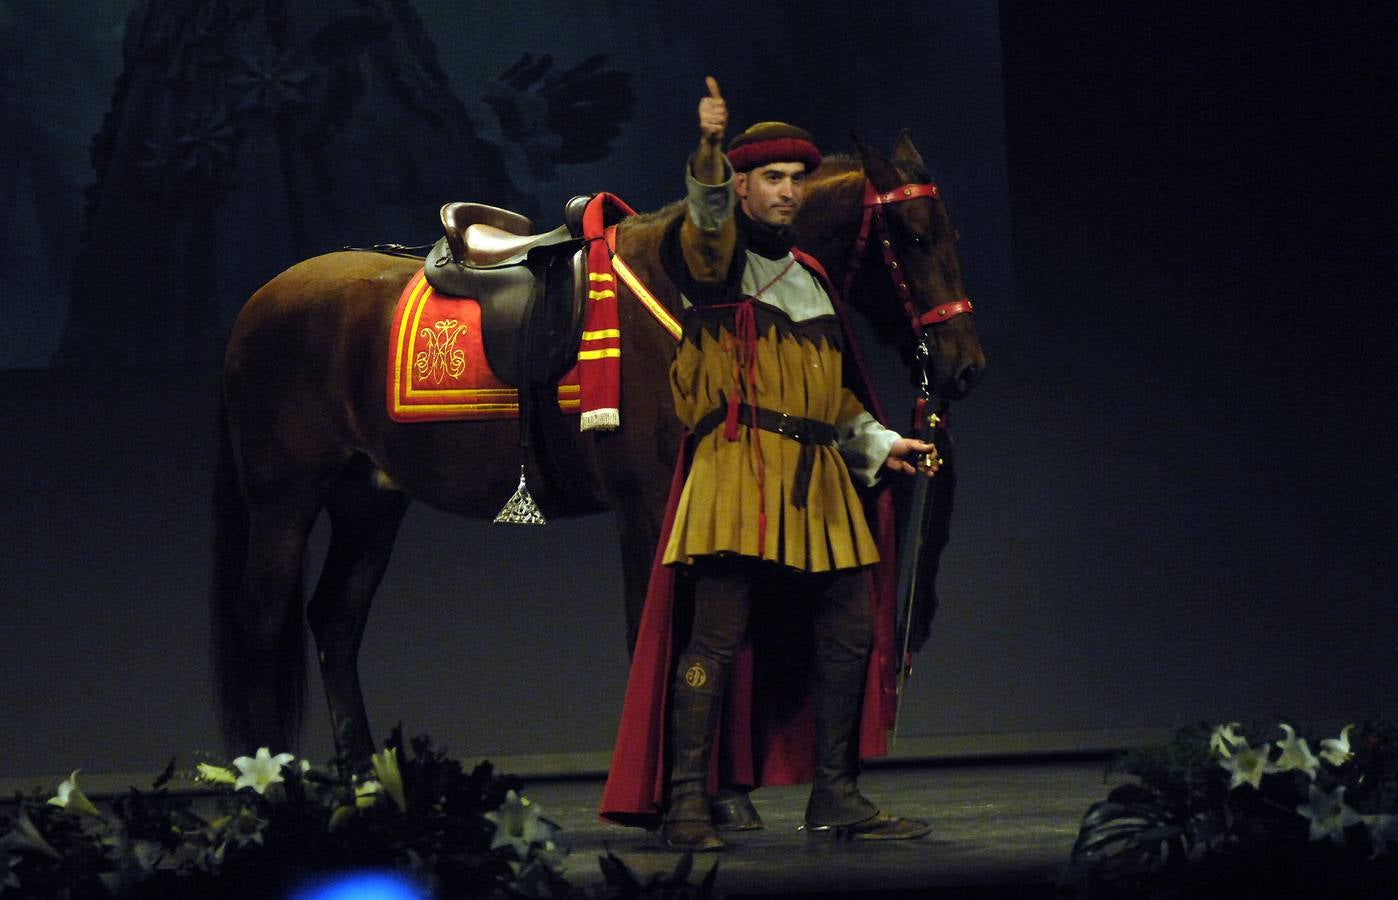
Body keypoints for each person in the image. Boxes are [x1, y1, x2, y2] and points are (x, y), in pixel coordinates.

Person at [601, 78, 938, 851]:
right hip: (738, 473)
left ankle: (837, 794)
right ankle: (688, 799)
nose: (788, 193)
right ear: (744, 188)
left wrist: (884, 444)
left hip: (817, 482)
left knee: (852, 630)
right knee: (715, 638)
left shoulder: (815, 280)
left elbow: (831, 398)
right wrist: (711, 153)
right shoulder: (713, 264)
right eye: (772, 179)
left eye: (797, 180)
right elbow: (708, 227)